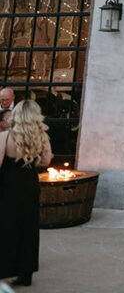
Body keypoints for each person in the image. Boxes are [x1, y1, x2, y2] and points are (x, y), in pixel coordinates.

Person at [0, 100, 53, 287]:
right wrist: (30, 160)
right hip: (29, 185)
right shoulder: (42, 137)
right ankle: (26, 273)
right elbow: (46, 161)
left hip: (8, 187)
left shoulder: (5, 137)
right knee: (28, 227)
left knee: (6, 226)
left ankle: (5, 268)